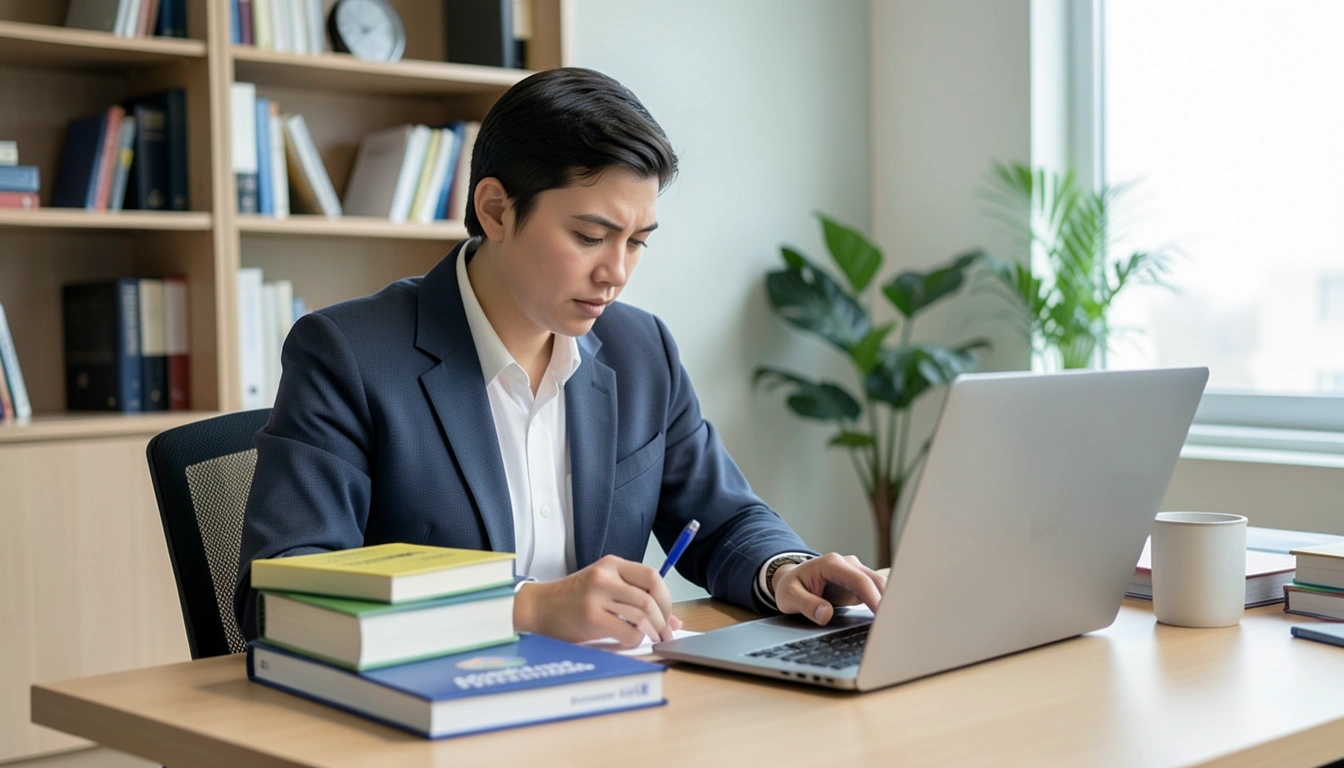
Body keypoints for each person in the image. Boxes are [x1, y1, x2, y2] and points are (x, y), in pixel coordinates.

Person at [233, 67, 886, 649]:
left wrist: (786, 573)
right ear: (495, 208)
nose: (616, 272)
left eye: (637, 243)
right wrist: (525, 608)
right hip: (433, 716)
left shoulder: (641, 351)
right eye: (589, 236)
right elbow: (281, 592)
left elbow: (724, 519)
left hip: (606, 707)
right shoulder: (347, 354)